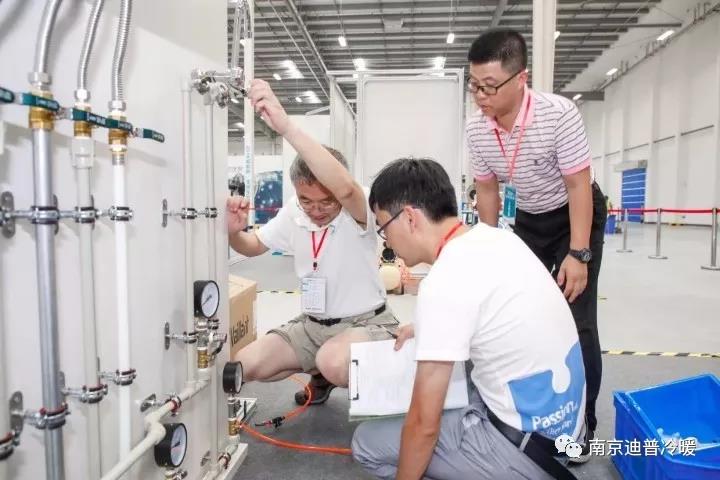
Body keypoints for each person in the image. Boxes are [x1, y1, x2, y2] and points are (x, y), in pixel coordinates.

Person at [351, 158, 586, 480]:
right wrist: (425, 328)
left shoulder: (443, 280)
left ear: (409, 218)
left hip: (522, 453)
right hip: (561, 435)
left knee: (367, 442)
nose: (386, 241)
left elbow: (424, 426)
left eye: (383, 228)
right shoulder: (499, 238)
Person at [465, 28, 607, 459]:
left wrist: (578, 254)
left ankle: (582, 424)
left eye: (490, 86)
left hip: (574, 216)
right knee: (509, 309)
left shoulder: (558, 114)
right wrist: (487, 250)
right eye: (474, 85)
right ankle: (517, 410)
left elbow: (578, 186)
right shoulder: (477, 128)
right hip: (529, 219)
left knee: (578, 318)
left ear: (521, 78)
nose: (481, 96)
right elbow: (487, 191)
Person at [227, 79, 398, 404]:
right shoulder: (294, 211)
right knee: (245, 364)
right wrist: (233, 232)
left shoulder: (358, 204)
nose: (316, 210)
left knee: (333, 361)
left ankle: (380, 379)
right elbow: (252, 246)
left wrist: (286, 126)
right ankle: (321, 373)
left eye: (326, 201)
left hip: (366, 323)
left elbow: (345, 189)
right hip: (312, 325)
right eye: (307, 200)